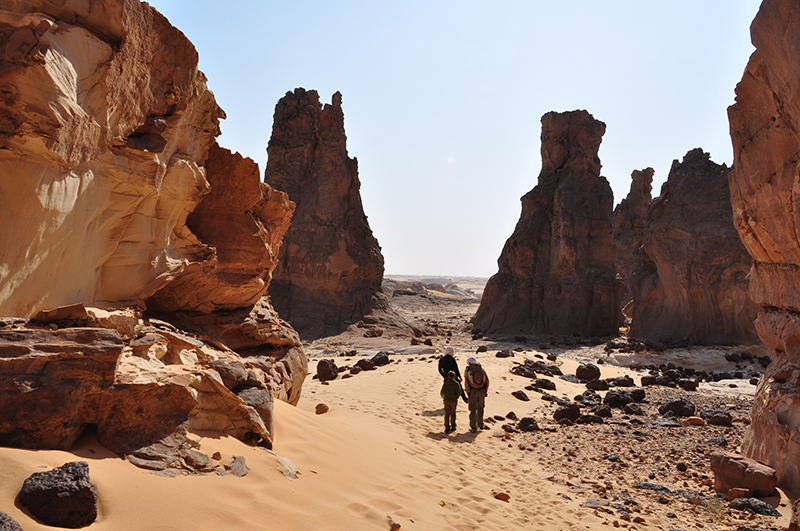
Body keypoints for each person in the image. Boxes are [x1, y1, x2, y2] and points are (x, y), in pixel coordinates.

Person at [464, 356, 489, 433]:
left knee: (473, 409)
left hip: (473, 391)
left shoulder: (468, 370)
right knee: (481, 408)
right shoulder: (482, 369)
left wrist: (467, 392)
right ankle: (480, 424)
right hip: (482, 391)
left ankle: (473, 427)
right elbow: (487, 381)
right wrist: (485, 390)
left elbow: (466, 382)